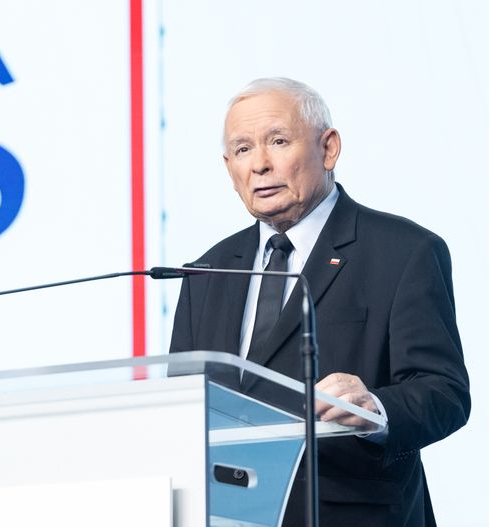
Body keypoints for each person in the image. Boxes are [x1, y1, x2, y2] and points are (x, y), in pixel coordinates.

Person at [169, 77, 470, 526]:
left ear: (328, 149)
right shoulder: (206, 271)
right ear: (229, 167)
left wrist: (374, 408)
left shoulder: (404, 251)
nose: (260, 164)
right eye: (243, 149)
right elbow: (182, 407)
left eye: (278, 141)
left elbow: (444, 393)